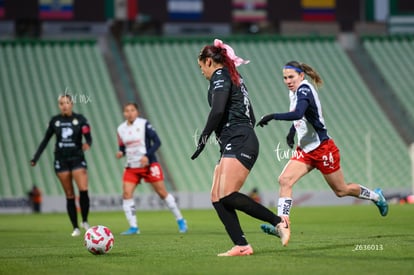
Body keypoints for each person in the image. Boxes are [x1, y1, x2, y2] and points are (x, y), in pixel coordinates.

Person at [256, 61, 389, 245]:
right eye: (285, 78)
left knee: (341, 190)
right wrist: (292, 133)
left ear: (301, 76)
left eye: (291, 77)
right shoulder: (293, 91)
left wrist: (272, 116)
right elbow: (301, 116)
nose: (287, 81)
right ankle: (282, 225)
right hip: (305, 149)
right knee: (284, 180)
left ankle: (376, 196)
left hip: (323, 149)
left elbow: (298, 113)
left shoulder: (304, 90)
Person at [191, 39, 287, 256]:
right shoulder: (235, 76)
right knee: (216, 197)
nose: (201, 72)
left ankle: (278, 221)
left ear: (208, 61)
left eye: (200, 67)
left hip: (239, 138)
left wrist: (204, 138)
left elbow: (217, 111)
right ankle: (242, 245)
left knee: (227, 195)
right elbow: (250, 115)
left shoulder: (219, 75)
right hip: (237, 137)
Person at [116, 102, 187, 235]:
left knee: (162, 193)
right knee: (126, 194)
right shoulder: (121, 129)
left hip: (149, 164)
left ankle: (180, 219)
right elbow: (122, 147)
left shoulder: (144, 124)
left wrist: (147, 156)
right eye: (126, 110)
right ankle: (134, 227)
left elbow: (157, 142)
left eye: (132, 110)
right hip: (132, 166)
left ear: (137, 112)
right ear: (124, 113)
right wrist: (121, 152)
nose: (129, 113)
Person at [31, 94, 92, 237]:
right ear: (59, 105)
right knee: (69, 194)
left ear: (72, 104)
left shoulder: (81, 119)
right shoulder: (55, 121)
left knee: (83, 189)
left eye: (67, 102)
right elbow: (46, 140)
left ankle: (85, 220)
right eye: (61, 103)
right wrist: (35, 158)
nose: (64, 105)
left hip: (77, 158)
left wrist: (88, 143)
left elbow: (88, 136)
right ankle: (75, 227)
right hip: (61, 160)